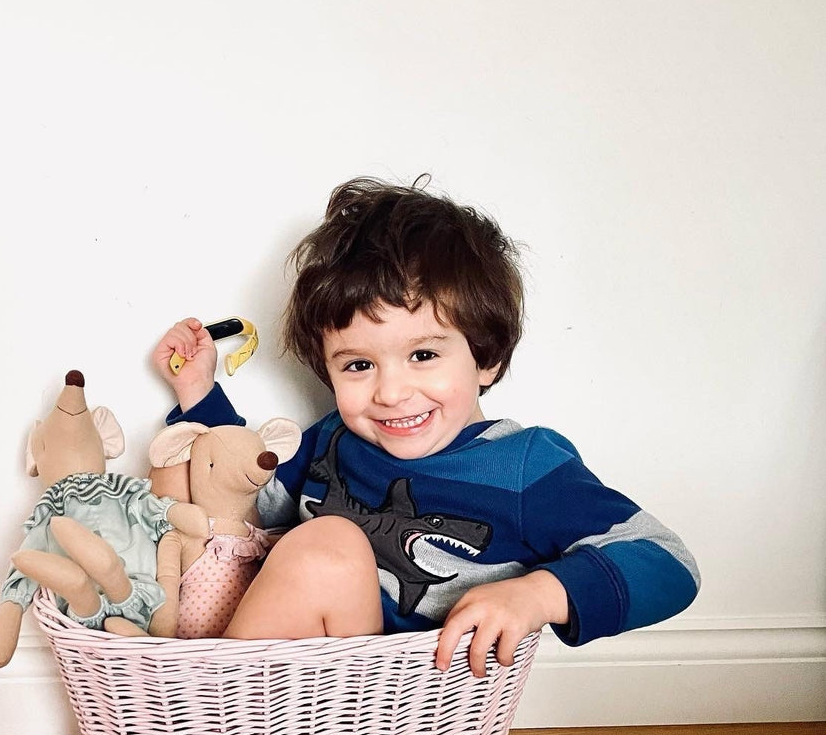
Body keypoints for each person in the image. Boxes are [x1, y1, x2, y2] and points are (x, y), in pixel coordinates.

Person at [152, 177, 700, 674]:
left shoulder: (523, 466)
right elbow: (238, 492)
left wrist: (537, 594)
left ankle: (207, 706)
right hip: (297, 696)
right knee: (311, 544)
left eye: (423, 356)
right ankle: (213, 720)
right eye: (358, 365)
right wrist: (199, 395)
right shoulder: (331, 441)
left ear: (487, 358)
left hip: (404, 710)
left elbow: (667, 562)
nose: (390, 393)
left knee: (326, 545)